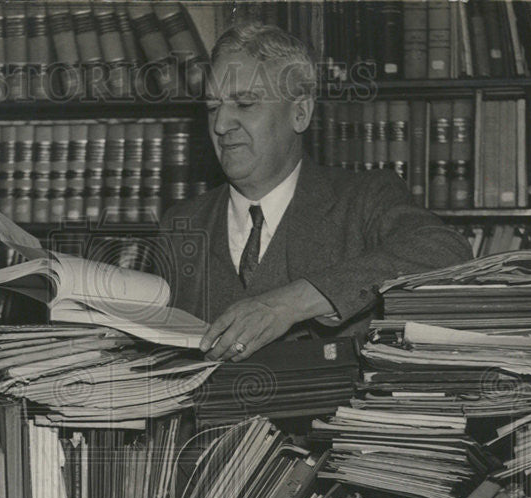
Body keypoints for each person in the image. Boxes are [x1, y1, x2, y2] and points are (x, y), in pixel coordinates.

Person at [159, 22, 473, 361]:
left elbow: (446, 250)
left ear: (300, 113)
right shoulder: (182, 223)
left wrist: (290, 303)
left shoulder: (364, 199)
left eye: (245, 104)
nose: (220, 125)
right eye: (212, 107)